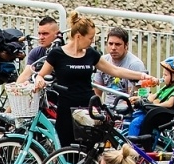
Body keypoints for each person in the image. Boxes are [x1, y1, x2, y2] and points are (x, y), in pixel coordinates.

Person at [32, 13, 153, 150]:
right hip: (66, 108)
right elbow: (40, 74)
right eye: (90, 38)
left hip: (88, 108)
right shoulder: (57, 54)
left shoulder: (91, 54)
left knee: (89, 152)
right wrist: (39, 80)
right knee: (67, 152)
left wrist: (142, 76)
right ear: (79, 37)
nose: (92, 41)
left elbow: (115, 71)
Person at [126, 57, 174, 140]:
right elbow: (153, 96)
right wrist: (139, 98)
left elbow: (170, 103)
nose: (163, 77)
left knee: (135, 123)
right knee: (128, 117)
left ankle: (131, 147)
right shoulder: (166, 87)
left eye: (165, 75)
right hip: (149, 110)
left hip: (157, 113)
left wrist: (156, 104)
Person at [94, 26, 148, 95]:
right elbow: (97, 93)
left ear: (126, 46)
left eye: (117, 44)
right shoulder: (103, 61)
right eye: (110, 44)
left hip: (126, 104)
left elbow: (134, 98)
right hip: (107, 105)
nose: (113, 48)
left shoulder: (135, 64)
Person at [14, 15, 63, 90]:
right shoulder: (36, 52)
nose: (41, 37)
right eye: (39, 33)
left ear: (57, 34)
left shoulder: (64, 52)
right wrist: (16, 89)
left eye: (45, 34)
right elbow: (26, 74)